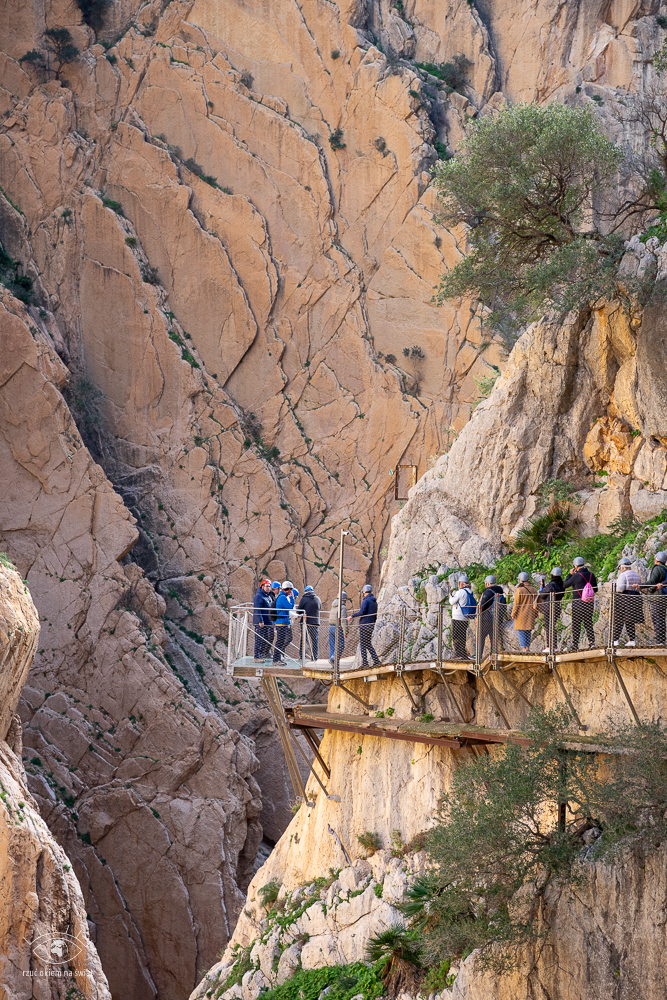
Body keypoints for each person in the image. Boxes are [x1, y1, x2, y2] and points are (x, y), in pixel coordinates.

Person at [563, 557, 598, 651]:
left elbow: (565, 585)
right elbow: (596, 589)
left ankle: (575, 645)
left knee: (576, 625)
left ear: (575, 566)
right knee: (588, 623)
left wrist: (570, 574)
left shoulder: (576, 576)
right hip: (589, 603)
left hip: (578, 604)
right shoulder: (591, 575)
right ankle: (592, 643)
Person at [613, 557, 643, 647]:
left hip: (624, 600)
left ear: (622, 567)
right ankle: (632, 640)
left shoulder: (623, 575)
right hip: (635, 599)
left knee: (619, 620)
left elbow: (620, 589)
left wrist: (613, 587)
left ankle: (615, 640)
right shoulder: (637, 575)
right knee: (630, 621)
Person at [350, 584, 381, 668]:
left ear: (364, 592)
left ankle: (365, 663)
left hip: (364, 626)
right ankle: (377, 661)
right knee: (368, 644)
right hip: (371, 625)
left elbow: (362, 612)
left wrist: (352, 616)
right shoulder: (374, 601)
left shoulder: (366, 601)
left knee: (363, 645)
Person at [536, 567, 565, 653]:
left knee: (549, 627)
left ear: (552, 575)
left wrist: (541, 589)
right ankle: (555, 647)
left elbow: (542, 595)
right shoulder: (562, 586)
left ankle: (550, 646)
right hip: (556, 607)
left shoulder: (550, 585)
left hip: (548, 608)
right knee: (553, 626)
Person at [449, 574, 476, 658]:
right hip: (465, 617)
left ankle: (458, 654)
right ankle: (463, 653)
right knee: (462, 636)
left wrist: (450, 597)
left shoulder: (460, 592)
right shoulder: (470, 592)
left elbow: (452, 602)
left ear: (461, 583)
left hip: (457, 617)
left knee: (455, 636)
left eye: (459, 583)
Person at [479, 575, 505, 657]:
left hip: (487, 617)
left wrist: (478, 615)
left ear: (487, 583)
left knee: (481, 636)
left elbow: (483, 605)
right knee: (493, 637)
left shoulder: (488, 592)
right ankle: (493, 653)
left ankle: (478, 655)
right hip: (496, 618)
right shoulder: (499, 591)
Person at [511, 572, 538, 652]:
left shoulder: (520, 590)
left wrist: (513, 614)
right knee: (528, 631)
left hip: (521, 614)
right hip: (531, 613)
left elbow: (516, 603)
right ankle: (527, 648)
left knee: (521, 631)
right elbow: (536, 603)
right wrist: (535, 614)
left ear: (520, 580)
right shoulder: (533, 589)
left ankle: (523, 648)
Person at [647, 551, 667, 646]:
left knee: (656, 619)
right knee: (661, 619)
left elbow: (652, 582)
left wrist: (643, 587)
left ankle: (659, 641)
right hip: (663, 597)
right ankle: (662, 640)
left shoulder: (657, 568)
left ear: (657, 559)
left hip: (656, 598)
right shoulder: (665, 569)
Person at [273, 581, 296, 662]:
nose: (291, 591)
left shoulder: (282, 596)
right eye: (290, 590)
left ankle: (278, 659)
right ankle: (276, 659)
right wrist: (292, 598)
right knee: (280, 641)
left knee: (281, 641)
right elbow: (290, 607)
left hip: (283, 622)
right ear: (288, 589)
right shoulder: (282, 597)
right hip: (281, 622)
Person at [298, 585, 322, 661]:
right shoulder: (317, 598)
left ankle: (302, 656)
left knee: (304, 640)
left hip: (306, 622)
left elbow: (299, 610)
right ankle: (315, 657)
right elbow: (320, 607)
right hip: (315, 623)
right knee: (314, 640)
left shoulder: (304, 599)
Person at [252, 579, 273, 660]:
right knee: (259, 639)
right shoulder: (259, 596)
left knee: (265, 639)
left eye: (269, 586)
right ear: (262, 586)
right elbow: (257, 609)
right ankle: (257, 656)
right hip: (261, 623)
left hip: (267, 622)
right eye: (267, 586)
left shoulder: (268, 596)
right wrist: (260, 621)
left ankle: (262, 655)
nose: (268, 588)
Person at [328, 592, 349, 664]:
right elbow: (343, 620)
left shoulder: (333, 605)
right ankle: (333, 658)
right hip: (337, 628)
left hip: (331, 627)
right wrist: (345, 631)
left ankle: (333, 662)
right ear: (344, 599)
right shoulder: (342, 607)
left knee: (332, 646)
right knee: (341, 645)